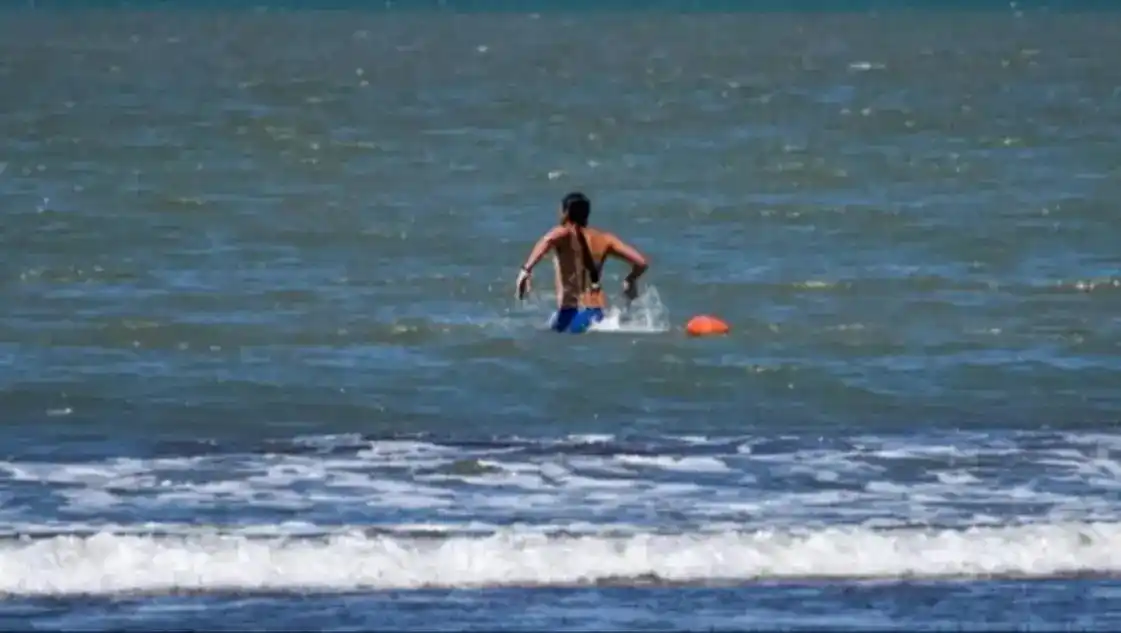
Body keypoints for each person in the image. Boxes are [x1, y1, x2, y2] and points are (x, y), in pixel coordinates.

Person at [515, 192, 649, 333]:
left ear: (565, 212)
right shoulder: (605, 239)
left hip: (572, 314)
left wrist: (526, 270)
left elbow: (548, 239)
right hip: (596, 313)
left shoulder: (565, 233)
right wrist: (631, 279)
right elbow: (641, 263)